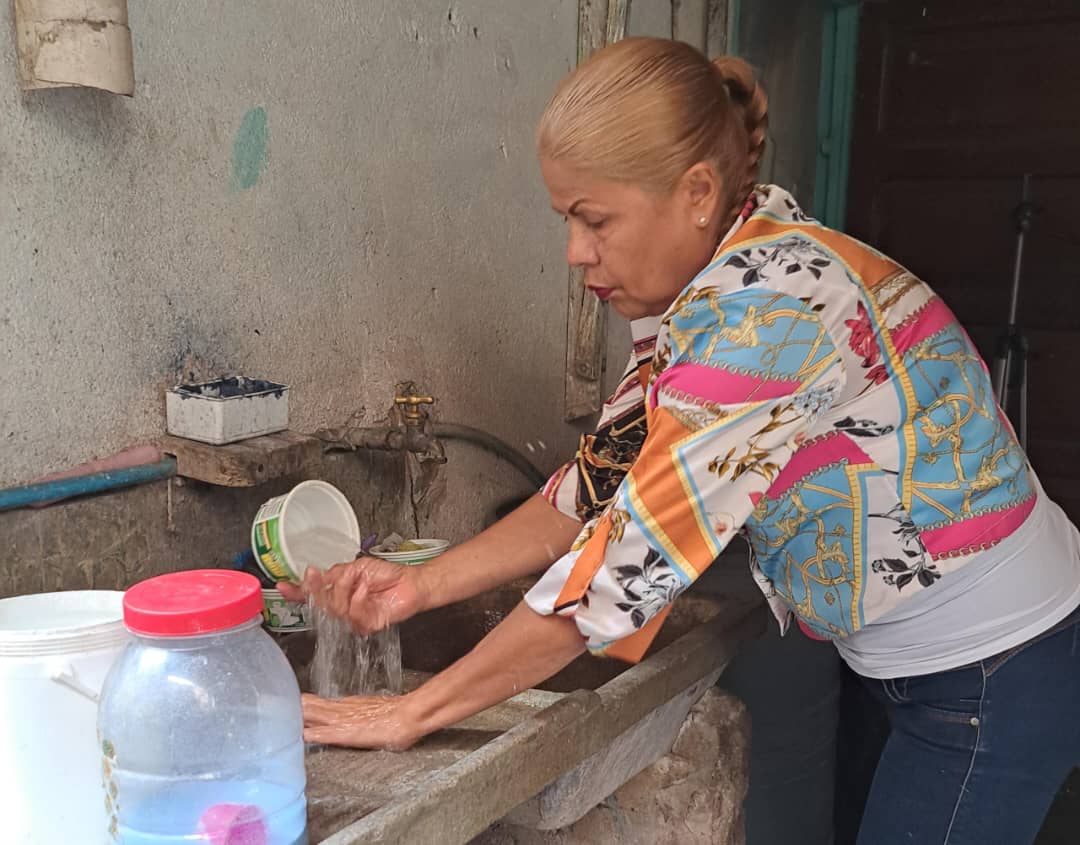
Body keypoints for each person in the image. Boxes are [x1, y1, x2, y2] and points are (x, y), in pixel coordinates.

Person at [280, 37, 1080, 844]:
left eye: (594, 220)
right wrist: (419, 587)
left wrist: (410, 712)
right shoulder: (718, 279)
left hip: (992, 668)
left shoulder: (760, 321)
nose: (574, 252)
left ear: (696, 191)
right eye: (566, 220)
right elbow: (592, 488)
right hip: (922, 661)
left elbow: (613, 579)